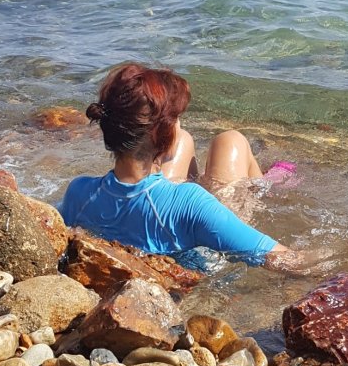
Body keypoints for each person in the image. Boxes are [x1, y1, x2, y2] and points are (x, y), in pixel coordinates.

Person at [59, 61, 308, 270]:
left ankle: (259, 180)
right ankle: (266, 184)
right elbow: (287, 260)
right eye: (176, 119)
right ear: (160, 133)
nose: (179, 125)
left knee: (185, 140)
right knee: (232, 141)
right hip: (204, 236)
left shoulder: (79, 193)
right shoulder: (190, 203)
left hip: (157, 211)